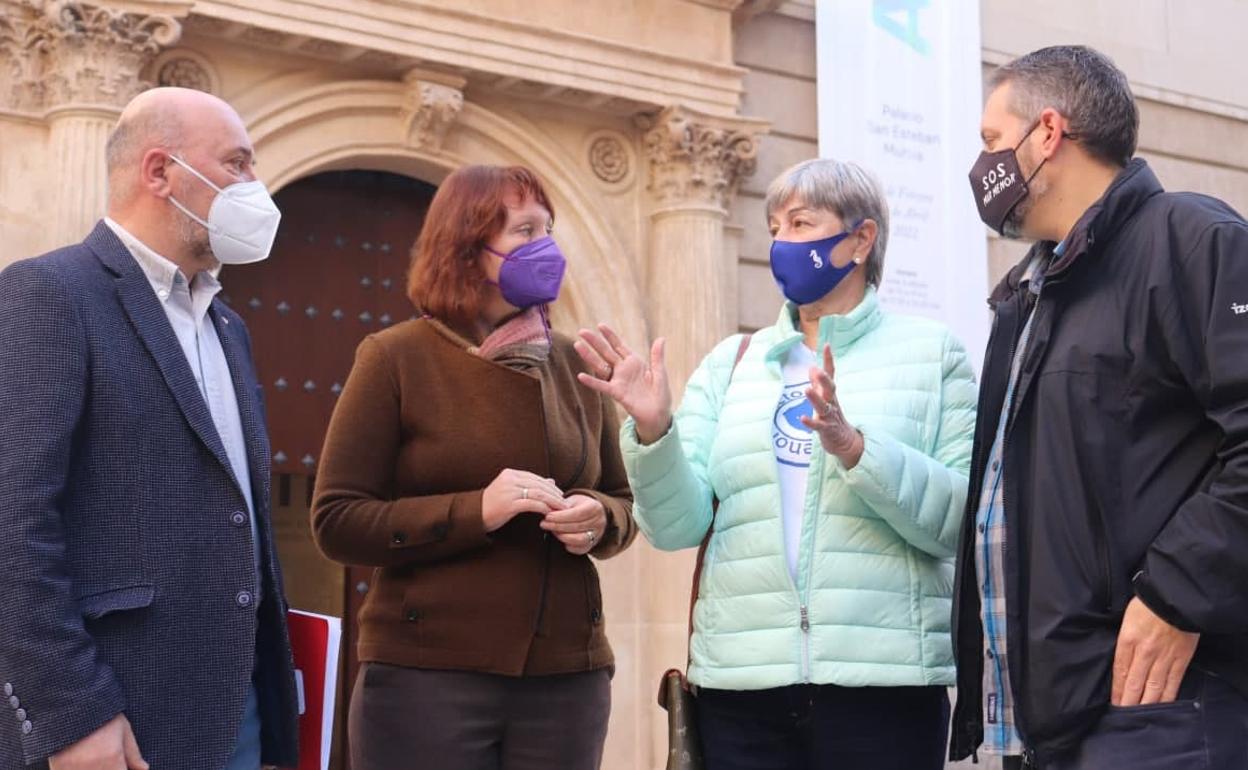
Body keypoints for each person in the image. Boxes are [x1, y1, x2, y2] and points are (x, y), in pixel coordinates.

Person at [576, 158, 977, 770]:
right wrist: (654, 432)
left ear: (861, 240)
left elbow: (959, 523)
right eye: (774, 227)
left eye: (801, 223)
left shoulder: (932, 354)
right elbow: (676, 526)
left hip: (883, 692)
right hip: (741, 693)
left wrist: (855, 448)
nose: (781, 243)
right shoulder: (733, 361)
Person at [950, 45, 1248, 770]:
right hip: (1052, 719)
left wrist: (1177, 597)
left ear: (1047, 132)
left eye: (991, 140)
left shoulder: (1191, 240)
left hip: (1161, 707)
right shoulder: (1028, 293)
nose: (983, 163)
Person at [0, 88, 299, 770]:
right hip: (114, 717)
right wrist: (71, 714)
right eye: (238, 164)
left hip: (235, 710)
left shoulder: (229, 326)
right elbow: (12, 521)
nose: (256, 188)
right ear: (160, 172)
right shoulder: (51, 293)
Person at [311, 164, 637, 770]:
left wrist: (600, 519)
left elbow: (622, 497)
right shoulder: (394, 357)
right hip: (426, 679)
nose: (546, 247)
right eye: (524, 230)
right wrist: (475, 511)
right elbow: (337, 519)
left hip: (566, 678)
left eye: (549, 228)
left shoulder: (574, 361)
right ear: (467, 249)